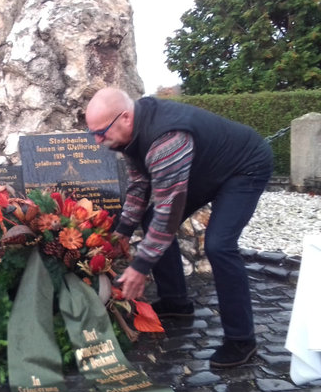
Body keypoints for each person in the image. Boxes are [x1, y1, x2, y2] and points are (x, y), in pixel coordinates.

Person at [85, 87, 273, 368]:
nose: (99, 140)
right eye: (94, 134)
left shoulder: (166, 139)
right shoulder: (129, 135)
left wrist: (141, 267)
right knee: (148, 220)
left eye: (102, 132)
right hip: (206, 169)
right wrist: (121, 232)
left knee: (219, 245)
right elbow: (139, 185)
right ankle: (176, 303)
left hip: (244, 168)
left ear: (125, 117)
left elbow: (168, 210)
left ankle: (241, 341)